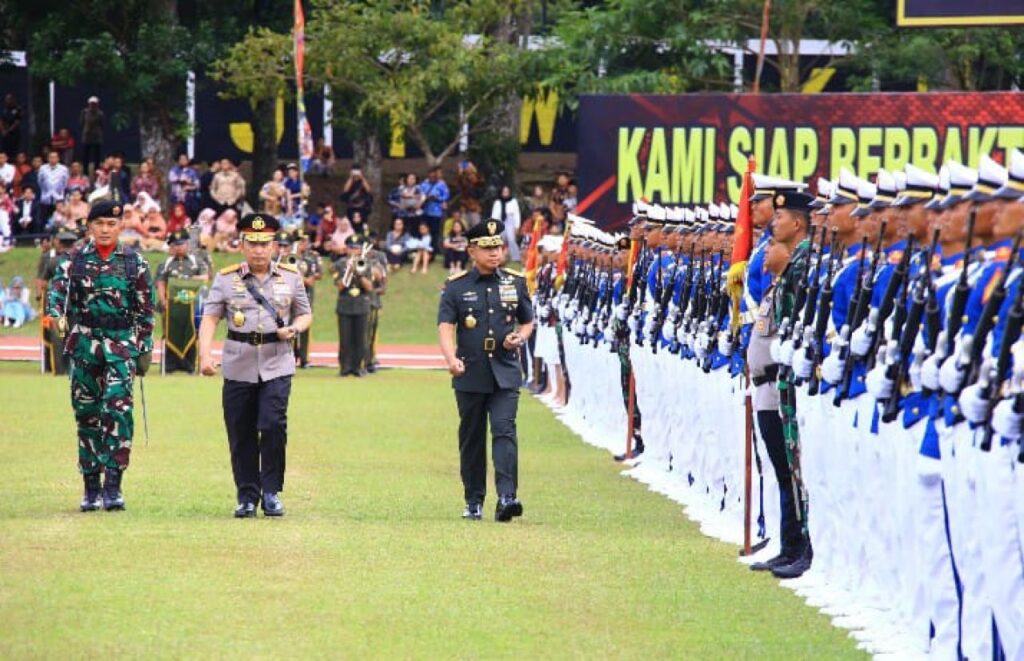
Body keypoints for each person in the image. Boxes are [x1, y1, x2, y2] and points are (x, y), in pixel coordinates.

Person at [198, 212, 312, 518]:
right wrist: (204, 355)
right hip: (238, 362)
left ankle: (271, 491)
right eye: (252, 243)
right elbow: (210, 318)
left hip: (277, 361)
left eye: (264, 243)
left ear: (274, 245)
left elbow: (305, 313)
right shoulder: (226, 279)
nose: (259, 250)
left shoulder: (291, 277)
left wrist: (295, 328)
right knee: (241, 430)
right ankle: (247, 495)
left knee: (273, 425)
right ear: (242, 245)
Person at [45, 199, 155, 512]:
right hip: (85, 346)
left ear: (121, 226)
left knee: (118, 412)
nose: (105, 230)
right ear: (90, 226)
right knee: (87, 414)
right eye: (99, 224)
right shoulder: (74, 260)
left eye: (111, 224)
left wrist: (143, 348)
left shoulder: (134, 262)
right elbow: (56, 295)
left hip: (121, 348)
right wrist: (57, 316)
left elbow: (146, 309)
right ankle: (91, 487)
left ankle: (114, 486)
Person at [437, 219, 535, 521]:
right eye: (487, 248)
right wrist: (451, 359)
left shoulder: (515, 282)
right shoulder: (456, 286)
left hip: (505, 370)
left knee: (505, 430)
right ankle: (474, 500)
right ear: (471, 251)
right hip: (470, 371)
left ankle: (507, 497)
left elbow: (527, 320)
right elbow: (445, 326)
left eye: (498, 247)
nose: (495, 253)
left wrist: (520, 336)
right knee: (472, 436)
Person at [156, 229, 209, 373]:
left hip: (191, 306)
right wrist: (163, 300)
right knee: (170, 332)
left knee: (190, 331)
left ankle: (188, 364)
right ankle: (170, 364)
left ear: (187, 244)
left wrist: (187, 279)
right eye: (176, 245)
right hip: (171, 306)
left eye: (182, 244)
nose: (179, 247)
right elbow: (160, 283)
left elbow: (205, 278)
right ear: (172, 247)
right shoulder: (165, 264)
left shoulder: (196, 262)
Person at [333, 234, 374, 377]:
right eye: (351, 248)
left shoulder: (366, 263)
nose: (353, 251)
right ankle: (345, 367)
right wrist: (349, 271)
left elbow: (369, 287)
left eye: (356, 248)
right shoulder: (340, 264)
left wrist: (359, 273)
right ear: (346, 249)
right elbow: (339, 286)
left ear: (361, 250)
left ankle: (358, 367)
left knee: (361, 338)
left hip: (361, 304)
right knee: (345, 339)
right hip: (345, 304)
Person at [294, 229, 322, 368]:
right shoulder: (287, 256)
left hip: (305, 296)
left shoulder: (311, 258)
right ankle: (291, 357)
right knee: (289, 326)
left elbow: (313, 279)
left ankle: (304, 358)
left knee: (305, 327)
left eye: (304, 241)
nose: (302, 244)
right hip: (288, 297)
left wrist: (298, 277)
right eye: (299, 241)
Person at [419, 166, 449, 253]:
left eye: (434, 176)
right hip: (425, 211)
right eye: (430, 176)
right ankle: (424, 247)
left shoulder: (442, 184)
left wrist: (437, 198)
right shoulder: (424, 184)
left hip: (436, 212)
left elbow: (446, 196)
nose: (432, 178)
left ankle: (434, 248)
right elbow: (419, 194)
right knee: (424, 230)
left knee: (435, 231)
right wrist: (426, 198)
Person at [490, 185, 522, 261]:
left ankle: (515, 258)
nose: (505, 193)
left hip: (510, 221)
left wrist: (517, 226)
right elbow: (494, 215)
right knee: (499, 239)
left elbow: (517, 214)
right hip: (500, 221)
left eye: (507, 192)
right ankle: (499, 256)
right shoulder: (497, 202)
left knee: (511, 239)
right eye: (504, 192)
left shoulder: (513, 201)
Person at [37, 150, 69, 220]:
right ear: (48, 158)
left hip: (58, 197)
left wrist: (59, 190)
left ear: (58, 158)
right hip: (46, 196)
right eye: (51, 157)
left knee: (58, 218)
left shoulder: (63, 169)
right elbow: (40, 182)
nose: (53, 159)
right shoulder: (43, 168)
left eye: (55, 157)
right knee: (44, 217)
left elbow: (65, 183)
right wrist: (46, 189)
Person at [78, 97, 104, 175]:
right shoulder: (84, 112)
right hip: (87, 136)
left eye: (94, 104)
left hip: (97, 137)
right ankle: (85, 172)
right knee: (85, 155)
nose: (93, 105)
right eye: (91, 104)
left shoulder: (100, 113)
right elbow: (81, 122)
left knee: (97, 156)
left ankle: (96, 171)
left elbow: (102, 124)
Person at [456, 160, 483, 228]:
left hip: (474, 208)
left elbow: (480, 183)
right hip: (464, 208)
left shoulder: (477, 178)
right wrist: (460, 173)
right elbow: (459, 185)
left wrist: (474, 171)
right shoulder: (463, 178)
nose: (467, 168)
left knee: (476, 229)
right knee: (464, 228)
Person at [1, 94, 23, 159]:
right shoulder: (4, 110)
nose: (7, 101)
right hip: (5, 134)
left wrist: (9, 130)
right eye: (6, 100)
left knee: (14, 150)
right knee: (5, 149)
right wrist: (3, 130)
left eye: (9, 99)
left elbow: (17, 121)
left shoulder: (18, 109)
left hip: (14, 134)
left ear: (12, 100)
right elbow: (1, 120)